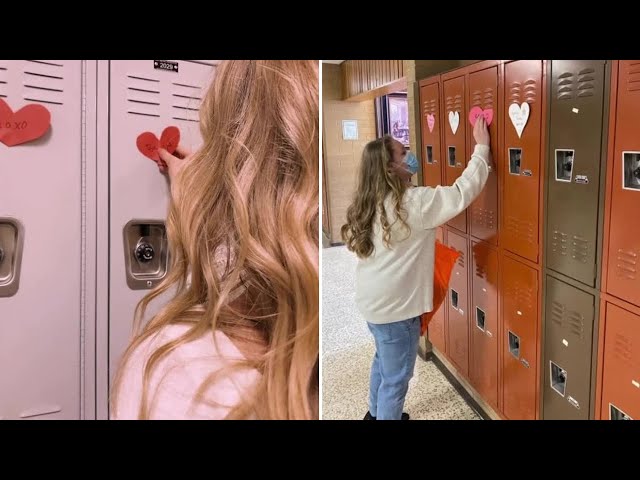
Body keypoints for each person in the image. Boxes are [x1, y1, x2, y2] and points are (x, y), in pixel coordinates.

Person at [110, 60, 319, 420]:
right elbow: (250, 270)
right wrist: (203, 204)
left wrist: (205, 204)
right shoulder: (311, 354)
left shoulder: (174, 376)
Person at [341, 117, 491, 420]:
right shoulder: (412, 203)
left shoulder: (370, 202)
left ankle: (373, 413)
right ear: (390, 168)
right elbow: (461, 192)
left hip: (375, 307)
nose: (410, 154)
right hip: (397, 312)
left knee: (383, 363)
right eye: (402, 152)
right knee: (396, 381)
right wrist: (482, 149)